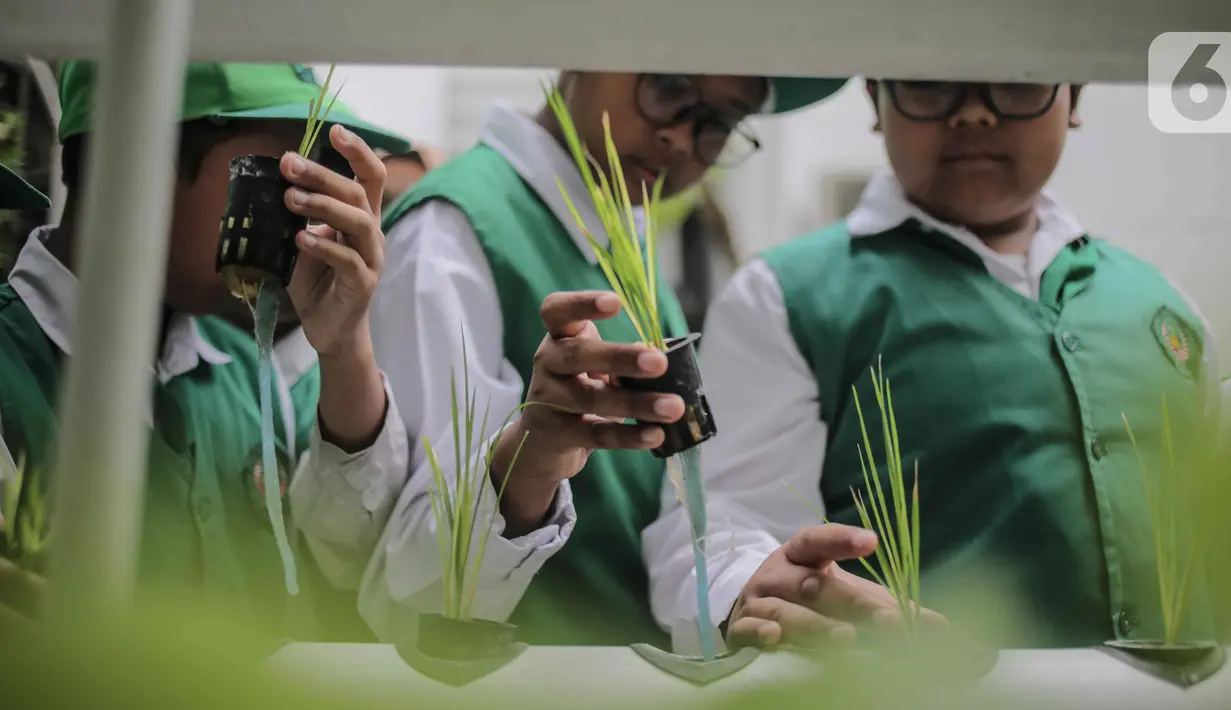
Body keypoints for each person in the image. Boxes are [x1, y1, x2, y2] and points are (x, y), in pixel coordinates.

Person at [645, 79, 1223, 651]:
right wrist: (746, 584)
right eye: (930, 85)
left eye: (1016, 84)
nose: (974, 113)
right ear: (875, 97)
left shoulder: (1163, 303)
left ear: (1075, 95)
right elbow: (714, 522)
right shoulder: (784, 296)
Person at [355, 72, 857, 647]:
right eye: (668, 90)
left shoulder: (618, 239)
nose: (680, 139)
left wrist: (739, 582)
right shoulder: (449, 233)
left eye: (718, 125)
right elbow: (411, 582)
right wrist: (530, 459)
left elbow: (674, 494)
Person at [0, 62, 412, 641]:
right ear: (133, 153)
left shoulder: (250, 372)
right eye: (267, 186)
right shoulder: (13, 375)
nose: (297, 226)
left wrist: (345, 347)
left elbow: (368, 568)